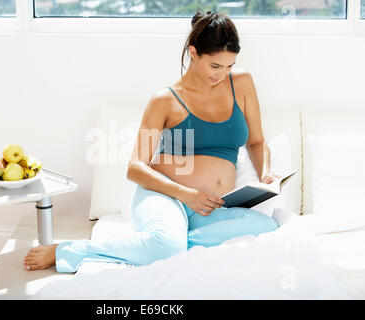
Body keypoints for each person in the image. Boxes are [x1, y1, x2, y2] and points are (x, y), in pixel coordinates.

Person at [23, 11, 280, 272]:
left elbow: (257, 142)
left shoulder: (242, 83)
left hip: (208, 205)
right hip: (165, 195)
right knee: (170, 246)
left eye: (230, 66)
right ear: (193, 52)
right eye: (215, 66)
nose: (222, 74)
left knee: (266, 226)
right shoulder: (165, 101)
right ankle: (69, 250)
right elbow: (135, 167)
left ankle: (164, 244)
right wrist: (186, 195)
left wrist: (266, 173)